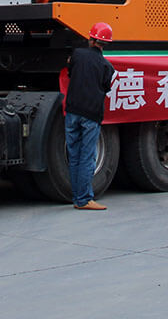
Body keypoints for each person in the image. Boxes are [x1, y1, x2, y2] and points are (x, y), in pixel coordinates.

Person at [63, 22, 115, 210]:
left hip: (72, 112)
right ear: (106, 43)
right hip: (91, 115)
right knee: (87, 157)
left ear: (91, 38)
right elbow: (105, 88)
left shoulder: (77, 55)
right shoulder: (106, 66)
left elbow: (70, 73)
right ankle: (84, 199)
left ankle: (77, 197)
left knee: (74, 155)